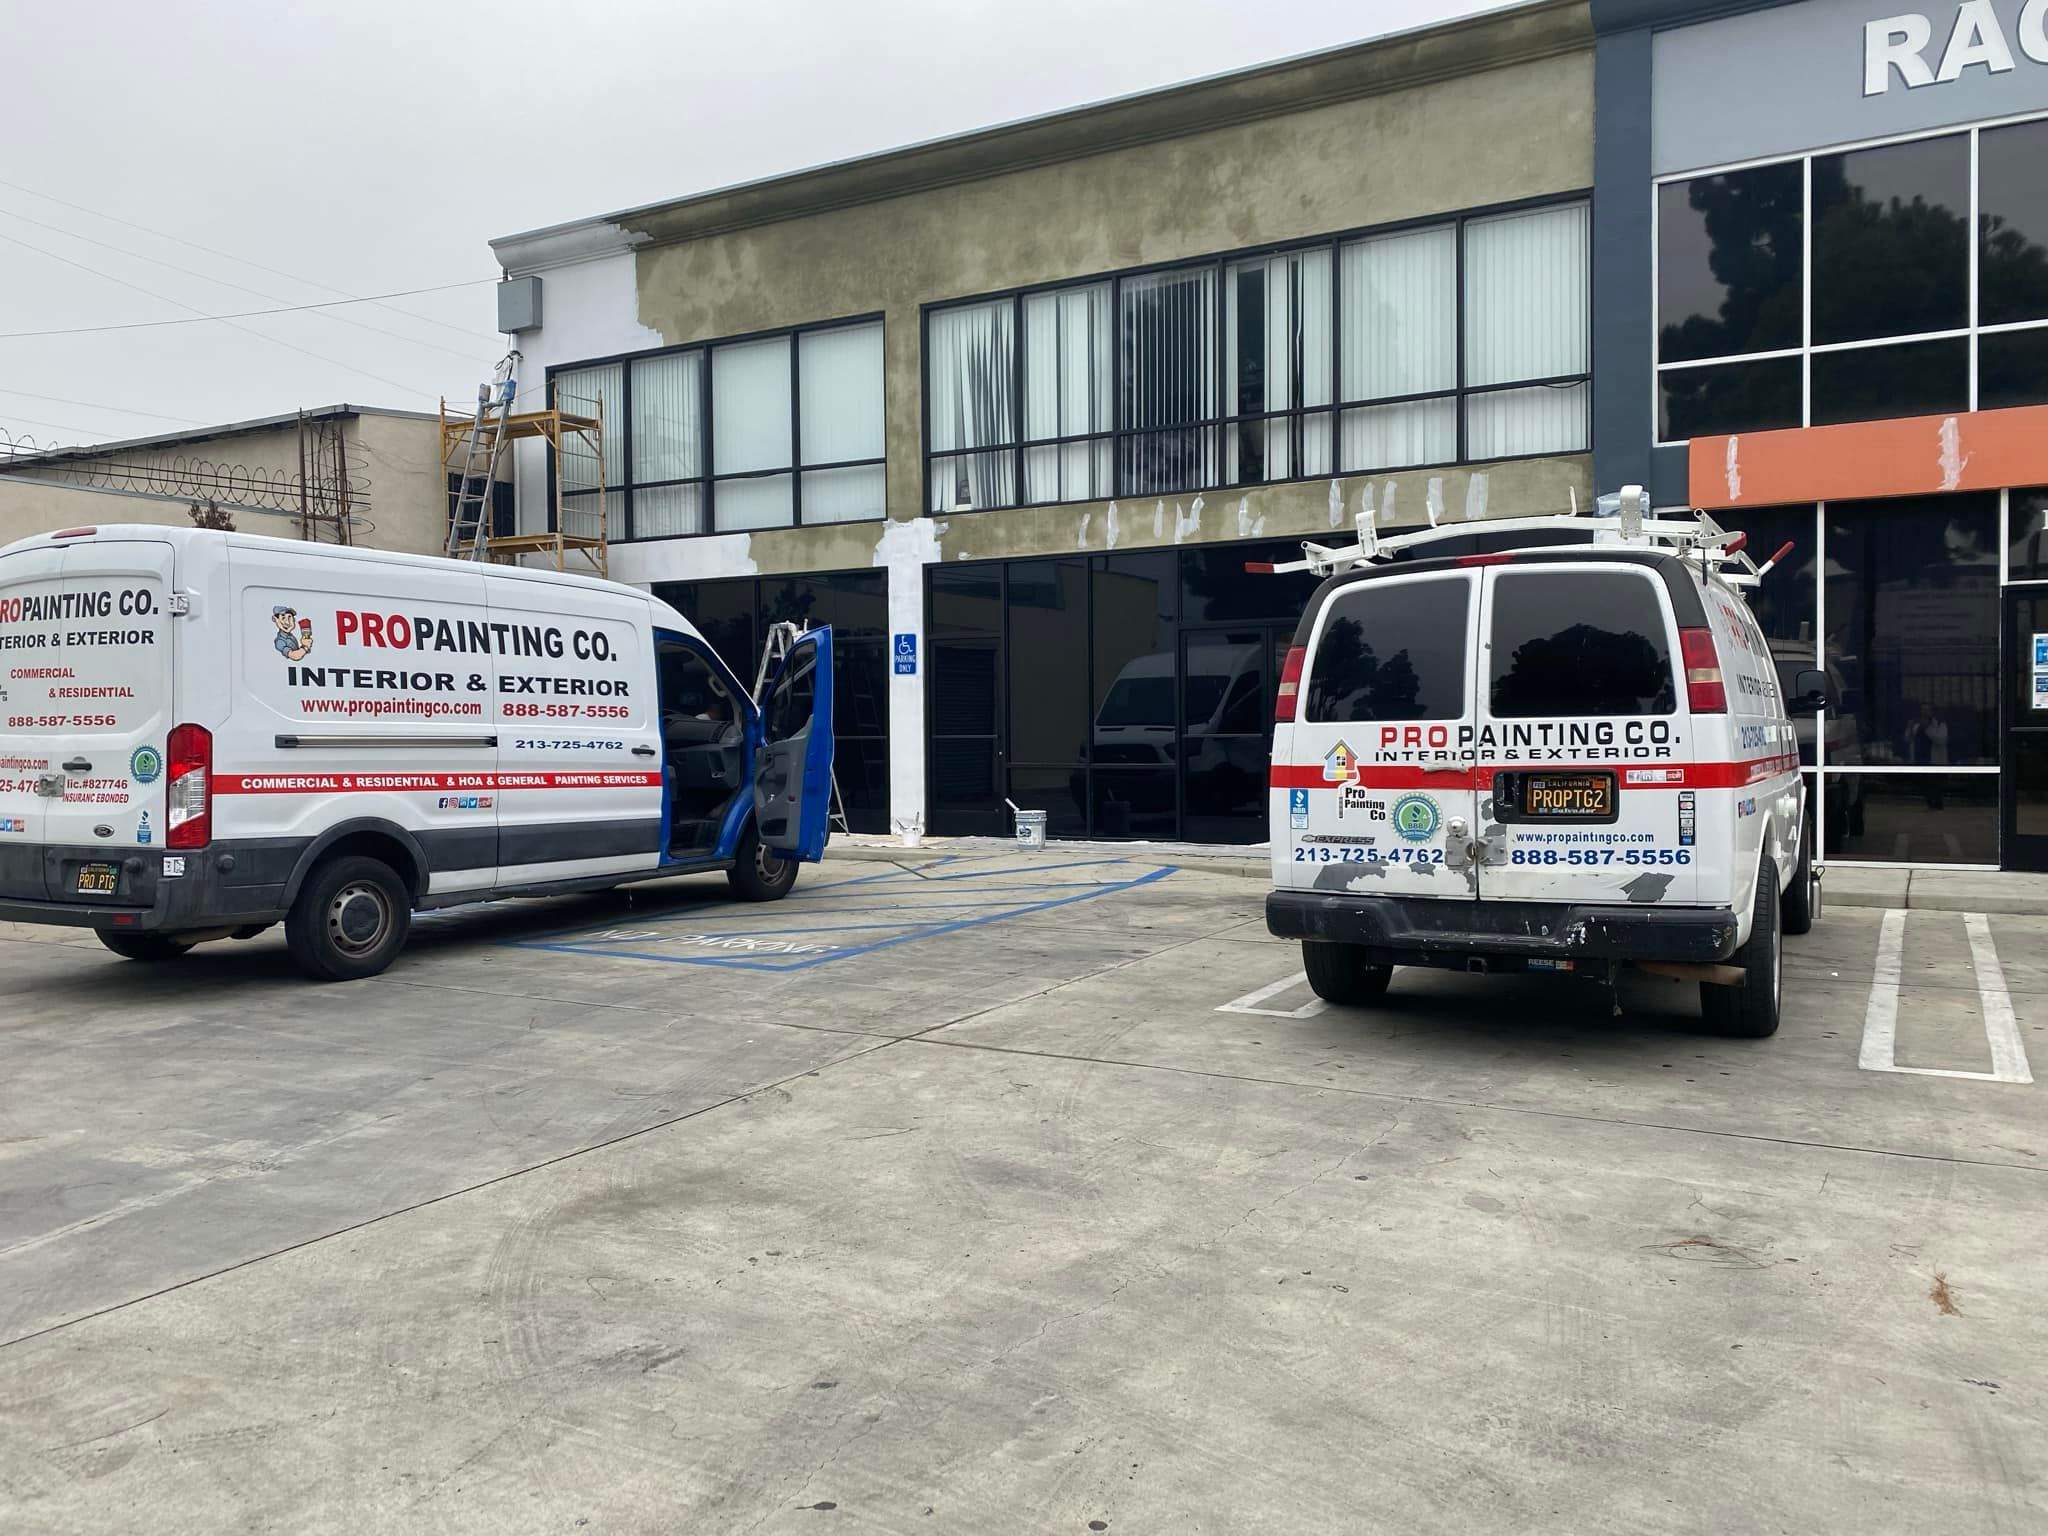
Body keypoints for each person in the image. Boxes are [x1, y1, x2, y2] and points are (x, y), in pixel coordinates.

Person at [1905, 702, 1949, 809]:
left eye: (1927, 710)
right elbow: (1907, 739)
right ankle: (1930, 805)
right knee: (1923, 784)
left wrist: (1927, 729)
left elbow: (1941, 740)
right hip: (1920, 760)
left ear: (1932, 712)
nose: (1924, 712)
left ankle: (1938, 806)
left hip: (1935, 762)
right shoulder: (1916, 725)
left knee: (1936, 785)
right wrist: (1909, 728)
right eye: (1923, 710)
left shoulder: (1940, 724)